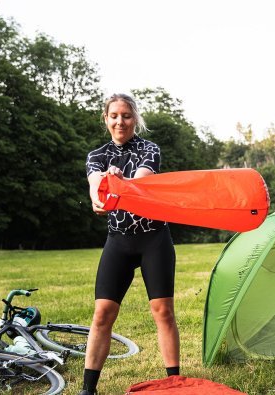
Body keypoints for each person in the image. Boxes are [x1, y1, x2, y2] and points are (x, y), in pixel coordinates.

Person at [80, 93, 180, 395]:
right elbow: (96, 190)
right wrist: (100, 194)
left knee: (163, 311)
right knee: (102, 314)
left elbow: (140, 181)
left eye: (126, 115)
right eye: (114, 116)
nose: (120, 121)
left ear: (134, 118)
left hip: (153, 238)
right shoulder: (96, 156)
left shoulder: (149, 149)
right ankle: (88, 389)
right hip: (118, 241)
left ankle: (174, 382)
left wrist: (122, 182)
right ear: (106, 119)